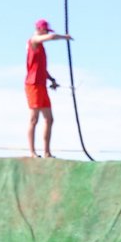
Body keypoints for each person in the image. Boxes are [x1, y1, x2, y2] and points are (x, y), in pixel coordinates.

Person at [26, 18, 73, 159]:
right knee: (34, 119)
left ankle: (46, 152)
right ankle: (32, 152)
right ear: (40, 29)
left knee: (49, 119)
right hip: (33, 84)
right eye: (45, 30)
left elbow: (41, 69)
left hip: (41, 84)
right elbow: (51, 37)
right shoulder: (33, 41)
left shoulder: (41, 49)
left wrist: (51, 80)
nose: (47, 33)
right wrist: (65, 37)